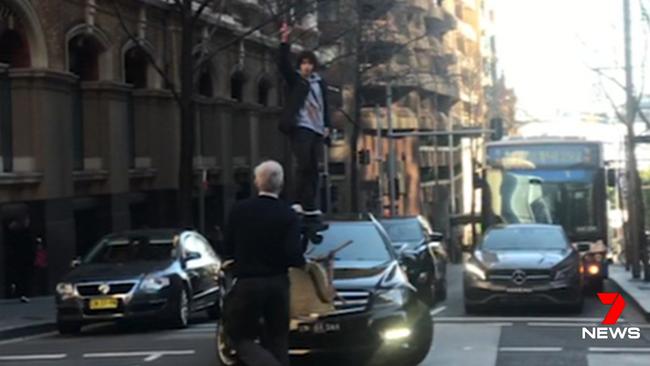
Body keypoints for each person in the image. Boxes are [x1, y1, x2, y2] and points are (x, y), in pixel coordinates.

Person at [222, 160, 305, 366]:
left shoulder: (239, 210)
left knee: (238, 335)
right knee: (278, 338)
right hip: (278, 283)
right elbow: (294, 254)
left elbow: (227, 247)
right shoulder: (288, 214)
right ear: (281, 184)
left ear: (257, 182)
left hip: (248, 283)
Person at [277, 22, 331, 219]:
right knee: (304, 165)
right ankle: (298, 201)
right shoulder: (296, 81)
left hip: (317, 129)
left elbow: (326, 105)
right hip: (301, 126)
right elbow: (283, 65)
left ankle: (310, 204)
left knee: (315, 168)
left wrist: (327, 126)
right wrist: (284, 42)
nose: (307, 67)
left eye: (309, 63)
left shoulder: (320, 83)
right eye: (303, 63)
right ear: (299, 66)